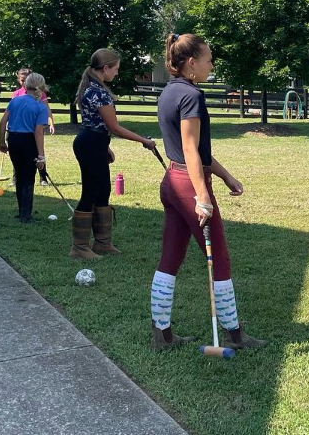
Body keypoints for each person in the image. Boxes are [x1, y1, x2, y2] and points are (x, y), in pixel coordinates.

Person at [149, 33, 267, 352]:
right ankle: (235, 335)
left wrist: (226, 176)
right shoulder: (191, 96)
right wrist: (202, 195)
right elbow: (189, 148)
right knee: (221, 261)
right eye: (208, 59)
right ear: (191, 62)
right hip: (189, 185)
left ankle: (162, 335)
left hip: (172, 182)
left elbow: (196, 150)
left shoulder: (170, 92)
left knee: (170, 258)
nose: (211, 65)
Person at [70, 49, 157, 260]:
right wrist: (144, 140)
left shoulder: (92, 88)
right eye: (115, 69)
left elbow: (95, 124)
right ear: (106, 68)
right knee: (91, 191)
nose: (117, 73)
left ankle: (102, 243)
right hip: (90, 144)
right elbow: (114, 127)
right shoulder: (98, 92)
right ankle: (79, 247)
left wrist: (104, 146)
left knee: (103, 189)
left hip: (93, 142)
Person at [0, 73, 49, 223]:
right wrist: (41, 156)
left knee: (20, 176)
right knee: (28, 179)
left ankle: (22, 211)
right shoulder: (41, 106)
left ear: (25, 85)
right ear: (42, 87)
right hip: (28, 142)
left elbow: (2, 122)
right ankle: (26, 215)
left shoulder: (15, 101)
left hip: (13, 140)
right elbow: (38, 132)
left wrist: (2, 142)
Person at [11, 67, 55, 185]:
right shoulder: (16, 94)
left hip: (35, 128)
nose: (24, 83)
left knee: (39, 152)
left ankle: (43, 177)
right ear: (18, 80)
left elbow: (46, 108)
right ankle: (15, 178)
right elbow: (11, 112)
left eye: (26, 80)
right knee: (18, 156)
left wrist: (51, 122)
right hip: (19, 131)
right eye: (22, 80)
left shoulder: (40, 94)